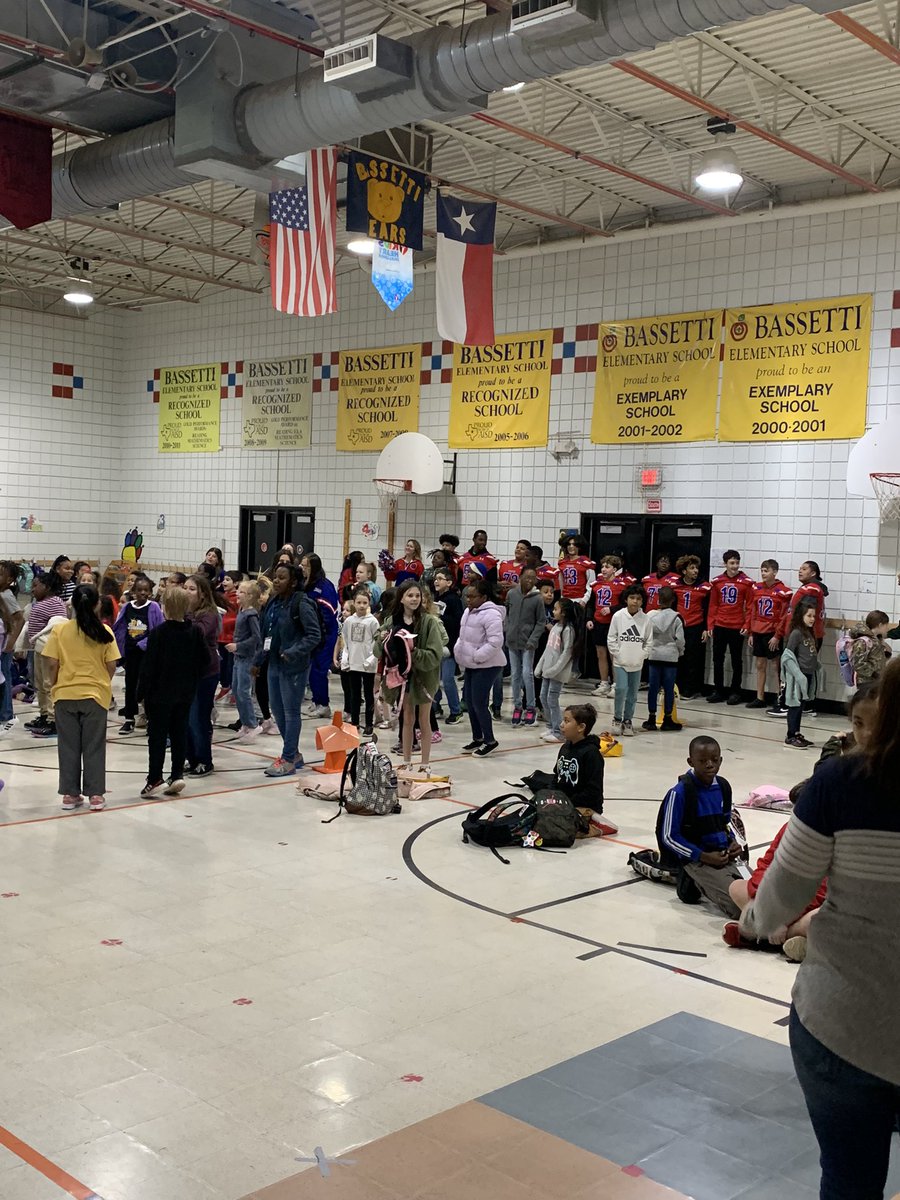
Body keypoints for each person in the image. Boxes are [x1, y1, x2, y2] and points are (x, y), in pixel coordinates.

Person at [739, 660, 900, 1200]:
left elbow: (781, 892)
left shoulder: (841, 782)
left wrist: (759, 920)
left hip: (844, 1023)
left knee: (850, 1181)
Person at [722, 780, 825, 960]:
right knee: (736, 887)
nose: (795, 815)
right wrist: (763, 899)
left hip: (810, 905)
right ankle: (788, 939)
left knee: (819, 918)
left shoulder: (831, 839)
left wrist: (783, 919)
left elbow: (823, 892)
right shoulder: (789, 828)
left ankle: (757, 937)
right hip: (781, 898)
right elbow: (764, 866)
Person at [42, 584, 119, 811]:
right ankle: (95, 795)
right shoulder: (105, 632)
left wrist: (55, 684)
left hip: (65, 695)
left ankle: (70, 794)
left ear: (72, 604)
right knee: (94, 746)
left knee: (68, 746)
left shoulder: (60, 631)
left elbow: (51, 662)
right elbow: (111, 665)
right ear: (97, 604)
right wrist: (101, 681)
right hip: (95, 695)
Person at [656, 735, 743, 917]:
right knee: (738, 907)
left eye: (715, 760)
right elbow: (669, 836)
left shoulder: (723, 787)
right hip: (696, 859)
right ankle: (690, 879)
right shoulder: (679, 792)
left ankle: (696, 883)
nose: (710, 765)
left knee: (755, 894)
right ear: (691, 761)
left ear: (721, 760)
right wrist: (701, 856)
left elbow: (725, 823)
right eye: (702, 761)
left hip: (721, 855)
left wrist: (732, 842)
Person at [138, 586, 207, 797]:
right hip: (185, 693)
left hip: (160, 694)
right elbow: (205, 660)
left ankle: (154, 777)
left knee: (157, 736)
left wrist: (140, 694)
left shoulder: (159, 633)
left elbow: (149, 665)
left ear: (165, 607)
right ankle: (177, 773)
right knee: (179, 733)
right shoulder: (195, 631)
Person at [257, 563, 320, 777]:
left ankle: (288, 757)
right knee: (276, 709)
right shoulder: (274, 601)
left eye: (281, 578)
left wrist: (293, 651)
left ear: (293, 581)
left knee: (291, 712)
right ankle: (293, 754)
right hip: (273, 663)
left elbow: (314, 635)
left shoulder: (302, 603)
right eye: (275, 577)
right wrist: (259, 660)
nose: (276, 581)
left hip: (293, 666)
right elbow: (266, 632)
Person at [379, 578, 444, 769]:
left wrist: (413, 652)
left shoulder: (429, 622)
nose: (414, 599)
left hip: (424, 677)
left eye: (418, 595)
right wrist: (382, 639)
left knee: (424, 719)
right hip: (401, 677)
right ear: (401, 598)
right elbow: (378, 647)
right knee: (407, 718)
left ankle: (425, 763)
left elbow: (435, 653)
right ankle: (406, 761)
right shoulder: (391, 621)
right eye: (410, 595)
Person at [454, 578, 505, 757]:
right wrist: (460, 651)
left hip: (488, 664)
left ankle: (490, 740)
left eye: (472, 596)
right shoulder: (469, 611)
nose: (468, 600)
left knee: (479, 702)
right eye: (467, 596)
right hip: (472, 664)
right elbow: (464, 636)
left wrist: (477, 656)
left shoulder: (492, 614)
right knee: (469, 699)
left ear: (483, 597)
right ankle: (478, 738)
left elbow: (496, 642)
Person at [553, 703, 615, 834]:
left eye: (567, 721)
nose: (561, 725)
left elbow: (593, 791)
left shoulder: (592, 754)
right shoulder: (565, 747)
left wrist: (567, 802)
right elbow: (556, 776)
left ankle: (596, 823)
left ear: (581, 727)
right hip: (564, 802)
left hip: (584, 807)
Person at [113, 574, 162, 736]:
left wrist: (145, 644)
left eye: (146, 590)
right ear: (134, 592)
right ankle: (129, 718)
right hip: (130, 652)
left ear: (150, 592)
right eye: (139, 590)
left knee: (147, 686)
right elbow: (119, 627)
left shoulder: (153, 607)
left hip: (146, 653)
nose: (143, 593)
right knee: (130, 684)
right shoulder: (127, 607)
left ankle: (150, 717)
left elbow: (158, 630)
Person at [184, 573, 221, 777]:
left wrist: (186, 616)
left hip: (205, 672)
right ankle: (191, 758)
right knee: (187, 718)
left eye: (192, 589)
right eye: (186, 588)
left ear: (202, 594)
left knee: (199, 717)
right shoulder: (184, 612)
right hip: (187, 672)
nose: (187, 592)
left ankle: (205, 760)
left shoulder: (209, 614)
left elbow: (197, 632)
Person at [705, 550, 752, 704]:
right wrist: (710, 624)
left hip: (737, 626)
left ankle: (735, 691)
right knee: (718, 659)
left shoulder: (746, 582)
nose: (735, 566)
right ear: (725, 564)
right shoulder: (717, 582)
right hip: (720, 624)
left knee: (736, 660)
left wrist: (747, 624)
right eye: (732, 563)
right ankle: (718, 690)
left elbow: (750, 606)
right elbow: (713, 604)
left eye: (737, 563)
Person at [744, 559, 791, 709]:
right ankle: (760, 697)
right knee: (759, 664)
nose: (763, 573)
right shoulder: (756, 588)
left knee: (776, 665)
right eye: (762, 570)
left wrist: (778, 635)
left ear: (775, 572)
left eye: (767, 571)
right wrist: (751, 632)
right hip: (758, 630)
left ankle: (780, 698)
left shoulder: (783, 591)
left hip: (772, 633)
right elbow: (752, 611)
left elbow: (784, 616)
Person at [25, 570, 67, 737]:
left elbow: (59, 626)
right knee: (40, 684)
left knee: (49, 685)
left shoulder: (56, 603)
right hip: (38, 649)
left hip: (49, 651)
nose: (32, 589)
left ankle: (53, 719)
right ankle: (44, 714)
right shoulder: (40, 603)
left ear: (48, 587)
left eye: (36, 586)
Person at [587, 555, 635, 698]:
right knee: (600, 654)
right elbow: (591, 603)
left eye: (607, 567)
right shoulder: (596, 584)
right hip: (598, 623)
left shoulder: (622, 585)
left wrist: (611, 609)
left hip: (614, 624)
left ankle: (616, 684)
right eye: (602, 567)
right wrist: (589, 618)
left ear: (615, 569)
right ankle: (603, 683)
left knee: (614, 655)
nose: (603, 569)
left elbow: (626, 604)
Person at [535, 596, 580, 743]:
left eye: (556, 609)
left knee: (552, 699)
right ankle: (551, 726)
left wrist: (554, 670)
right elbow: (548, 650)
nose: (553, 611)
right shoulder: (555, 627)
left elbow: (566, 653)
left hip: (557, 673)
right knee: (543, 698)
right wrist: (540, 666)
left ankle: (559, 732)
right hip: (548, 671)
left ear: (564, 612)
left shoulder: (568, 630)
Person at [608, 585, 651, 737]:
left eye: (639, 599)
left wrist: (642, 655)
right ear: (626, 599)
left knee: (632, 694)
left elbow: (648, 641)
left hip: (637, 663)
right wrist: (617, 654)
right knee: (620, 689)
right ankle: (617, 719)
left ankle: (628, 720)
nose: (635, 601)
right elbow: (611, 638)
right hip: (621, 662)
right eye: (632, 598)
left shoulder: (646, 619)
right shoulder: (618, 616)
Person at [300, 553, 338, 719]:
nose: (302, 568)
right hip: (312, 634)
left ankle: (324, 704)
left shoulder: (324, 586)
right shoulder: (306, 584)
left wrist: (321, 633)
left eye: (305, 565)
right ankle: (316, 700)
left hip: (325, 634)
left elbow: (328, 613)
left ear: (313, 567)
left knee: (319, 670)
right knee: (311, 670)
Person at [643, 585, 684, 732]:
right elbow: (680, 640)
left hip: (654, 655)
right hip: (670, 657)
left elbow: (645, 635)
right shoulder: (676, 618)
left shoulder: (650, 616)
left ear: (658, 600)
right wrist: (680, 652)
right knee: (668, 688)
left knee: (653, 688)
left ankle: (651, 718)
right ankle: (667, 719)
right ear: (673, 600)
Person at [505, 568, 543, 726]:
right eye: (527, 577)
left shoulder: (538, 598)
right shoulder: (511, 594)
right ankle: (517, 706)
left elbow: (541, 622)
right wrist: (507, 630)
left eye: (533, 578)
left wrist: (533, 639)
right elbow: (507, 613)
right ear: (520, 577)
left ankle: (531, 707)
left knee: (527, 674)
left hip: (528, 643)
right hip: (512, 641)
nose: (529, 580)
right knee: (515, 674)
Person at [341, 587, 379, 734]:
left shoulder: (372, 622)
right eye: (359, 602)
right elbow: (346, 640)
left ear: (369, 603)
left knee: (368, 694)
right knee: (354, 694)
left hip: (368, 664)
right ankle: (355, 722)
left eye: (365, 602)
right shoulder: (349, 621)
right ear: (354, 603)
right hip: (354, 663)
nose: (362, 605)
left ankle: (369, 723)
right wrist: (346, 657)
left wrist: (372, 658)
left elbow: (377, 642)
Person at [228, 579, 262, 739]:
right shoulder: (242, 611)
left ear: (249, 596)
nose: (237, 594)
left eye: (241, 592)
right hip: (238, 657)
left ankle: (253, 724)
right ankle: (245, 723)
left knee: (243, 691)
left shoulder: (251, 615)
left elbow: (256, 637)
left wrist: (238, 646)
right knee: (236, 690)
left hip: (246, 658)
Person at [782, 599, 819, 749]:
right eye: (809, 616)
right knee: (795, 705)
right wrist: (798, 674)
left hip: (808, 674)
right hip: (799, 677)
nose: (812, 619)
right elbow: (787, 656)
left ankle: (797, 732)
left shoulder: (809, 633)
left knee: (801, 705)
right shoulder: (796, 633)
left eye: (814, 616)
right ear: (801, 616)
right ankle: (790, 735)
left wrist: (818, 667)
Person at [673, 555, 710, 699]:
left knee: (692, 659)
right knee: (679, 657)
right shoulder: (676, 586)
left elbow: (708, 609)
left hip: (696, 626)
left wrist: (706, 628)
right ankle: (678, 686)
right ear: (684, 571)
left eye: (696, 568)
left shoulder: (704, 586)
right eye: (692, 568)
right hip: (680, 625)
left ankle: (691, 689)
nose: (695, 571)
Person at [433, 568, 463, 724]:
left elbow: (458, 622)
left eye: (440, 578)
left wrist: (440, 616)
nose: (436, 581)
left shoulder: (453, 599)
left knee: (447, 679)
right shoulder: (435, 598)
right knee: (433, 679)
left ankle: (456, 710)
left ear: (449, 582)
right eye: (435, 578)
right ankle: (435, 706)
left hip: (449, 646)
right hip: (436, 645)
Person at [0, 561, 24, 733]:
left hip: (4, 646)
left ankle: (7, 715)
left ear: (9, 580)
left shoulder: (6, 595)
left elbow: (20, 619)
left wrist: (10, 643)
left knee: (4, 679)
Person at [216, 570, 241, 699]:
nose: (224, 582)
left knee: (231, 666)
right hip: (221, 636)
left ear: (236, 583)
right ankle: (224, 686)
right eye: (224, 579)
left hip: (232, 638)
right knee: (222, 665)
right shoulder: (222, 597)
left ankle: (233, 689)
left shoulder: (238, 598)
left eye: (228, 580)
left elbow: (239, 617)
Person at [849, 609, 892, 683]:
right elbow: (858, 664)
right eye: (886, 625)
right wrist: (873, 674)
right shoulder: (863, 641)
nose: (887, 628)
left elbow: (876, 657)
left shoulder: (876, 640)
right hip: (866, 682)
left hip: (875, 681)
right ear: (880, 625)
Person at [557, 535, 596, 605]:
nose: (571, 546)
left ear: (579, 546)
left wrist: (584, 600)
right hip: (565, 599)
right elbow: (561, 582)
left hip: (579, 599)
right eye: (569, 544)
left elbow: (591, 583)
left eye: (574, 544)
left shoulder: (586, 563)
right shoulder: (562, 563)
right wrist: (562, 597)